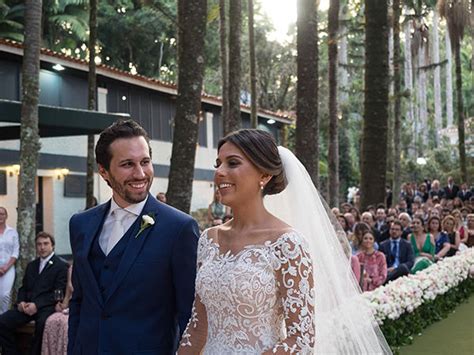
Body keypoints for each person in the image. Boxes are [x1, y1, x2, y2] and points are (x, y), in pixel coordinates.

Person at [178, 129, 391, 354]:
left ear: (264, 175)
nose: (219, 172)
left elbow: (301, 338)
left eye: (232, 163)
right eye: (218, 163)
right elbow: (198, 325)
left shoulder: (287, 244)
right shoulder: (208, 239)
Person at [68, 120, 199, 354]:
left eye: (145, 162)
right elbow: (79, 300)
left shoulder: (180, 228)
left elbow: (189, 315)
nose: (140, 173)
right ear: (103, 171)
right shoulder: (81, 224)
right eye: (127, 164)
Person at [0, 232, 68, 355]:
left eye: (46, 244)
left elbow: (58, 292)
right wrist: (21, 302)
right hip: (27, 307)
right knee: (3, 322)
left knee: (42, 326)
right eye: (39, 244)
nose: (42, 247)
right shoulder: (32, 265)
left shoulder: (61, 266)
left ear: (52, 245)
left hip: (46, 307)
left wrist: (37, 305)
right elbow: (23, 288)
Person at [41, 265, 73, 355]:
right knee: (50, 320)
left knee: (66, 325)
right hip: (70, 307)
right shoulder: (71, 269)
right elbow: (68, 294)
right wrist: (62, 305)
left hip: (83, 308)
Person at [0, 207, 19, 314]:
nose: (0, 216)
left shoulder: (12, 232)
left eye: (2, 214)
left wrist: (5, 268)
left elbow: (15, 252)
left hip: (8, 268)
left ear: (6, 216)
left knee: (5, 295)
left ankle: (3, 317)